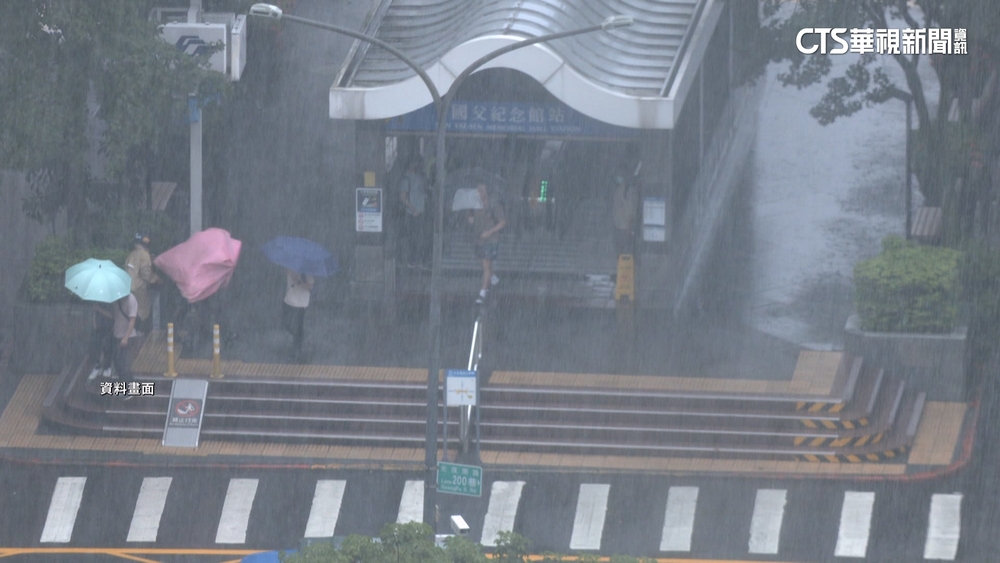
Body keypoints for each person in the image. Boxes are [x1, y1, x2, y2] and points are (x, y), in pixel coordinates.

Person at [468, 183, 506, 304]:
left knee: (486, 264)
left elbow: (502, 222)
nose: (479, 192)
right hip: (479, 239)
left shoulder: (494, 205)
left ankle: (483, 293)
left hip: (491, 240)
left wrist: (489, 232)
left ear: (487, 191)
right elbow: (470, 216)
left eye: (482, 190)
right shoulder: (474, 204)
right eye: (478, 190)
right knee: (486, 263)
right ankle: (493, 277)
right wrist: (470, 218)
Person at [126, 234, 160, 334]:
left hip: (130, 290)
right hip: (140, 291)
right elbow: (146, 274)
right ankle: (143, 340)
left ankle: (135, 335)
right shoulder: (144, 255)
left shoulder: (131, 254)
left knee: (132, 315)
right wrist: (157, 279)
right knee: (142, 316)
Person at [399, 159, 431, 266]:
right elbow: (403, 198)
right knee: (412, 237)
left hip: (420, 212)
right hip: (412, 214)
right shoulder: (406, 179)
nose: (418, 166)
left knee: (420, 237)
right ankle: (411, 260)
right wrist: (413, 210)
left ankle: (418, 260)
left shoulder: (419, 178)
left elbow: (424, 192)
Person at [111, 292, 140, 399]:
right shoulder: (115, 299)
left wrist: (126, 337)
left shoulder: (131, 299)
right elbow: (114, 316)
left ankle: (131, 390)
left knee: (125, 364)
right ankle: (124, 388)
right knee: (118, 363)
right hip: (116, 335)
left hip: (128, 337)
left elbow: (132, 319)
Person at [282, 268, 314, 359]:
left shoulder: (308, 273)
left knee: (298, 326)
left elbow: (310, 286)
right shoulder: (291, 267)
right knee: (286, 322)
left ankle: (298, 349)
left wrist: (298, 281)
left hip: (301, 302)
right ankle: (299, 341)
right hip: (289, 299)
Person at [612, 175, 640, 257]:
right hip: (625, 229)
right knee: (627, 256)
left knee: (621, 255)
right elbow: (630, 211)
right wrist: (629, 227)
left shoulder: (619, 190)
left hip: (619, 228)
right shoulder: (630, 192)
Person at [87, 302, 115, 380]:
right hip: (98, 329)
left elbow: (112, 315)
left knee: (107, 348)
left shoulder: (111, 303)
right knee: (96, 348)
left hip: (108, 329)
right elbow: (94, 314)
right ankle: (97, 366)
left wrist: (99, 309)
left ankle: (107, 367)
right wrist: (94, 325)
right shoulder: (97, 302)